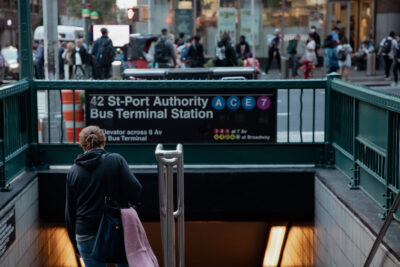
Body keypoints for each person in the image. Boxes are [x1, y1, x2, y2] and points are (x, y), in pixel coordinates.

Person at [65, 126, 142, 267]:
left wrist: (75, 243)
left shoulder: (73, 171)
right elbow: (136, 190)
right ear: (103, 141)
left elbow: (70, 212)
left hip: (85, 234)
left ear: (82, 145)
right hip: (116, 228)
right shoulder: (115, 160)